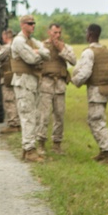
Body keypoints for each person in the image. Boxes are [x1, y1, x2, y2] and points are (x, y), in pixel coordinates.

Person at [70, 24, 108, 163]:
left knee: (96, 120)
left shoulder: (89, 52)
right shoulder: (105, 50)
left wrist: (74, 81)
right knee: (98, 119)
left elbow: (85, 72)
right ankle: (103, 152)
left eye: (86, 32)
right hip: (106, 89)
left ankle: (106, 153)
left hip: (96, 90)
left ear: (90, 34)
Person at [11, 15, 50, 162]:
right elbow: (31, 59)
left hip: (31, 83)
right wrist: (38, 53)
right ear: (22, 25)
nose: (33, 25)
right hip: (23, 83)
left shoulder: (31, 41)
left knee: (33, 115)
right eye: (30, 23)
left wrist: (38, 52)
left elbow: (47, 53)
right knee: (28, 116)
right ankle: (29, 150)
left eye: (34, 23)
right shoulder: (19, 41)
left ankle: (28, 148)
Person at [36, 23, 76, 153]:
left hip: (59, 85)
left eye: (59, 32)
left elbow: (74, 61)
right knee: (44, 115)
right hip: (46, 84)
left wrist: (61, 50)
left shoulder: (65, 47)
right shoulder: (42, 46)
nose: (57, 35)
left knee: (59, 115)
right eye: (55, 32)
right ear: (49, 32)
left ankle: (57, 144)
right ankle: (41, 143)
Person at [0, 29, 20, 133]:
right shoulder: (11, 46)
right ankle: (16, 123)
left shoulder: (9, 47)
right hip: (12, 76)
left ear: (6, 37)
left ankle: (13, 125)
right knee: (13, 100)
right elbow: (1, 49)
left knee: (9, 100)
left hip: (8, 77)